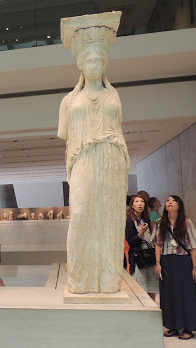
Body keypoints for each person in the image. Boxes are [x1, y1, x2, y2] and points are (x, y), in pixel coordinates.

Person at [58, 15, 130, 293]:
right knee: (82, 213)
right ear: (81, 65)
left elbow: (119, 131)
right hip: (83, 160)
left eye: (99, 61)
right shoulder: (69, 101)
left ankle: (107, 278)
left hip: (110, 159)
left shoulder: (114, 97)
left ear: (104, 66)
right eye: (89, 61)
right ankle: (81, 278)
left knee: (109, 217)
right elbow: (66, 136)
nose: (94, 65)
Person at [155, 195, 196, 340]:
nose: (170, 202)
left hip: (183, 262)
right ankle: (173, 326)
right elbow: (158, 244)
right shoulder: (160, 223)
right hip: (167, 262)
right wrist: (157, 263)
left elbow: (193, 246)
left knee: (186, 293)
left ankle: (188, 327)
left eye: (173, 201)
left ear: (179, 206)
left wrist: (194, 267)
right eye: (168, 200)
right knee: (169, 294)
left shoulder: (187, 222)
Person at [125, 195, 158, 300]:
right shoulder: (130, 221)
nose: (140, 204)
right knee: (140, 287)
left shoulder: (145, 219)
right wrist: (142, 232)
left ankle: (152, 308)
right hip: (138, 257)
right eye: (137, 201)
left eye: (142, 201)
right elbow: (130, 240)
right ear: (132, 205)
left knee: (151, 287)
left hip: (149, 254)